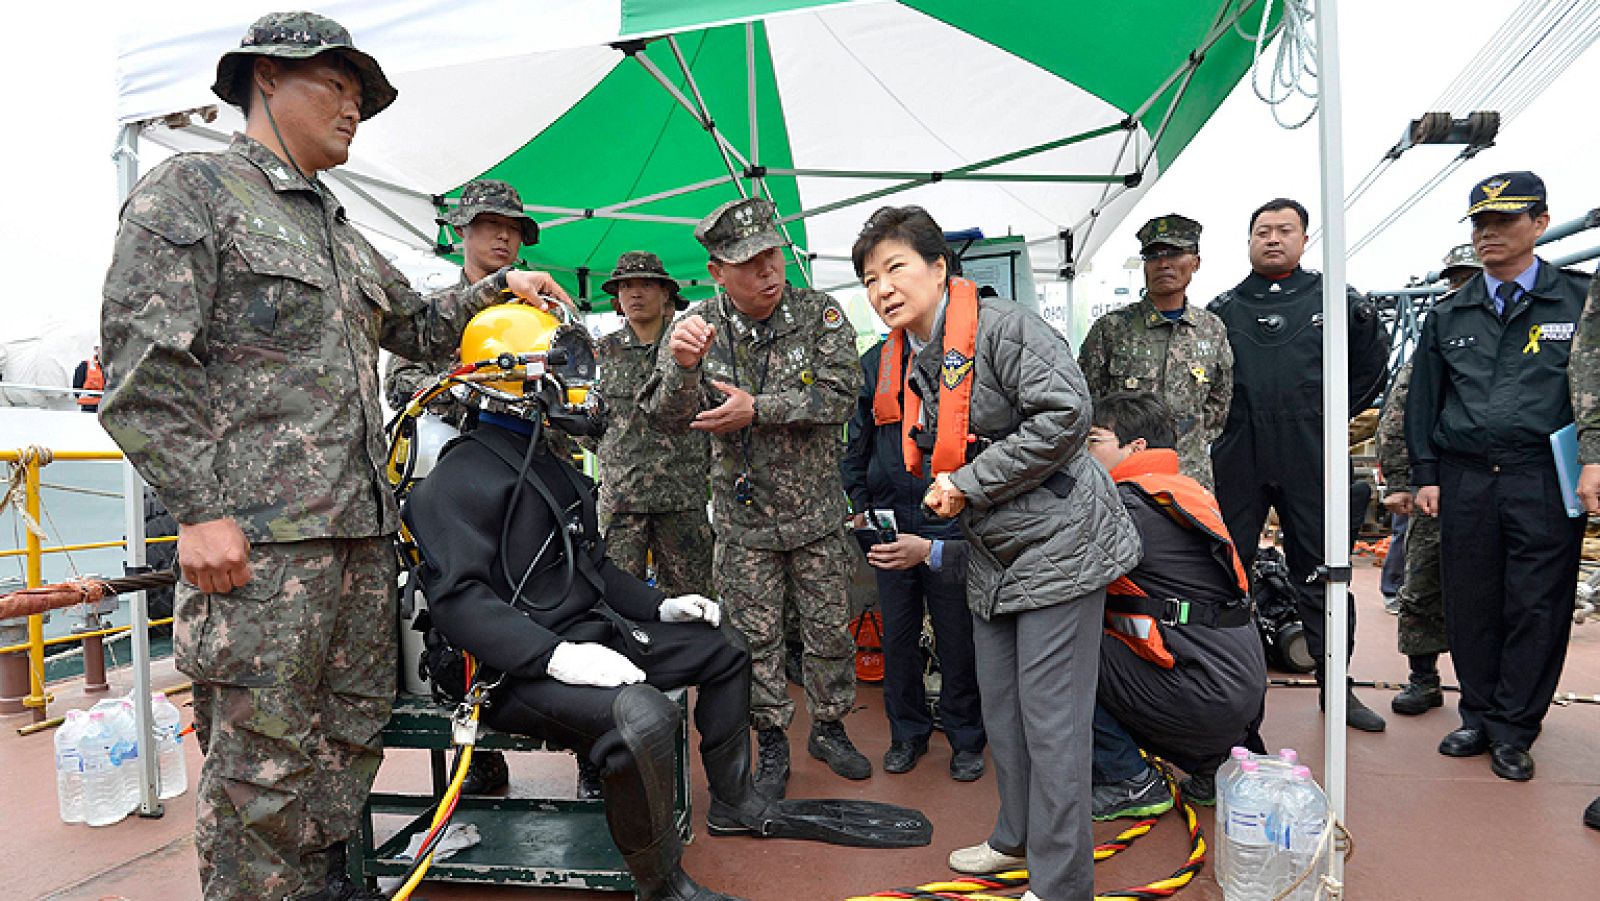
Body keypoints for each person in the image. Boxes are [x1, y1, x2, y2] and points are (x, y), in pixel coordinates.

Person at [96, 13, 572, 901]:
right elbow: (142, 365)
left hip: (356, 543)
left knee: (347, 740)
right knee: (257, 771)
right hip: (258, 553)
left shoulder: (338, 230)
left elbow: (420, 329)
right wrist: (199, 510)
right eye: (337, 86)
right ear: (266, 78)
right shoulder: (192, 191)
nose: (354, 108)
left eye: (362, 97)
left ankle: (322, 885)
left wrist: (496, 289)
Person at [403, 305, 931, 901]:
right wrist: (553, 657)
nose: (579, 384)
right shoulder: (458, 478)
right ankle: (662, 885)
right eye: (564, 368)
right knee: (643, 716)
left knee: (729, 648)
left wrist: (660, 606)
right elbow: (458, 602)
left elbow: (594, 569)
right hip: (513, 672)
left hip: (591, 636)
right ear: (511, 376)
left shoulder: (550, 465)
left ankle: (733, 802)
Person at [850, 205, 1140, 901]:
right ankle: (1016, 837)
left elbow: (1067, 414)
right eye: (869, 278)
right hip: (995, 552)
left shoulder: (1004, 327)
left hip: (1060, 545)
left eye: (897, 267)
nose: (883, 287)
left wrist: (968, 482)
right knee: (1004, 712)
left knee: (1052, 723)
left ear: (939, 267)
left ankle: (1063, 882)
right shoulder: (914, 358)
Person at [642, 197, 869, 796]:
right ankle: (770, 739)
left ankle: (829, 725)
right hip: (744, 524)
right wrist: (684, 367)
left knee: (828, 631)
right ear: (718, 270)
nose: (769, 271)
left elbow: (842, 396)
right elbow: (664, 418)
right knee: (753, 640)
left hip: (817, 514)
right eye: (750, 262)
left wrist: (757, 410)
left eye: (774, 254)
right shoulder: (694, 327)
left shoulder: (819, 314)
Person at [1410, 171, 1591, 783]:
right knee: (1472, 600)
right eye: (1480, 223)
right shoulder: (1450, 312)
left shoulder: (1578, 301)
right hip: (1465, 477)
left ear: (1539, 224)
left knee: (1537, 604)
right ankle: (1479, 714)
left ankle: (1516, 727)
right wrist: (1426, 474)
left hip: (1543, 475)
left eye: (1504, 221)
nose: (1489, 232)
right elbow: (1423, 404)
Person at [1208, 197, 1390, 734]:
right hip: (1239, 451)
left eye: (1285, 230)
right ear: (1248, 242)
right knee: (1229, 572)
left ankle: (1337, 686)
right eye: (1261, 230)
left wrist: (1328, 414)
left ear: (1305, 240)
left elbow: (1372, 367)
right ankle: (1229, 690)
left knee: (1322, 572)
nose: (1272, 238)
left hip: (1311, 451)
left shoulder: (1336, 302)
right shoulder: (1223, 310)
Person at [1083, 392, 1267, 819]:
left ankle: (1126, 779)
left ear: (1136, 447)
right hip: (1235, 690)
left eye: (1094, 441)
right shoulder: (1181, 492)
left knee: (1057, 649)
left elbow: (1044, 567)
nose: (1085, 452)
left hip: (1203, 693)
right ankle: (1212, 765)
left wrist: (936, 552)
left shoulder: (1126, 507)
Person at [839, 272, 986, 783]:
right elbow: (855, 443)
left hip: (946, 517)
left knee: (956, 636)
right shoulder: (874, 364)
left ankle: (967, 739)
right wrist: (859, 502)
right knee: (898, 637)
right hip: (887, 518)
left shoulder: (960, 359)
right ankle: (908, 735)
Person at [1375, 245, 1481, 715]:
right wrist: (1401, 478)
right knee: (1422, 582)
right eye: (1455, 280)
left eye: (1470, 279)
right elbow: (1398, 413)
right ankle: (1424, 677)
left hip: (1501, 483)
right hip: (1438, 484)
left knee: (1496, 592)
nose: (1461, 289)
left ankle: (1491, 692)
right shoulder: (1437, 343)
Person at [1078, 215, 1232, 488]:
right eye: (1153, 255)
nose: (1163, 263)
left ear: (1195, 262)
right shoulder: (1112, 329)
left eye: (1174, 253)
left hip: (1188, 477)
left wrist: (1187, 441)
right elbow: (1087, 402)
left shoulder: (1212, 329)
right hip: (1124, 477)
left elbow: (1218, 406)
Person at [595, 251, 714, 598]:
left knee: (693, 602)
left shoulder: (691, 346)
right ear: (616, 298)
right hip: (622, 504)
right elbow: (591, 424)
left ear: (666, 294)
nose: (635, 293)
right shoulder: (600, 354)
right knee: (619, 603)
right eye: (626, 286)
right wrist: (615, 454)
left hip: (681, 499)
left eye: (646, 284)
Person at [384, 178, 541, 430]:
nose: (504, 236)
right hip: (459, 451)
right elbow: (398, 387)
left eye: (514, 228)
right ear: (460, 228)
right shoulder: (433, 312)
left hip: (535, 454)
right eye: (492, 222)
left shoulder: (539, 311)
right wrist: (457, 384)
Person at [72, 346, 104, 413]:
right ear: (96, 349)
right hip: (89, 407)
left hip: (108, 406)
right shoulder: (85, 365)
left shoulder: (115, 367)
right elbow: (77, 386)